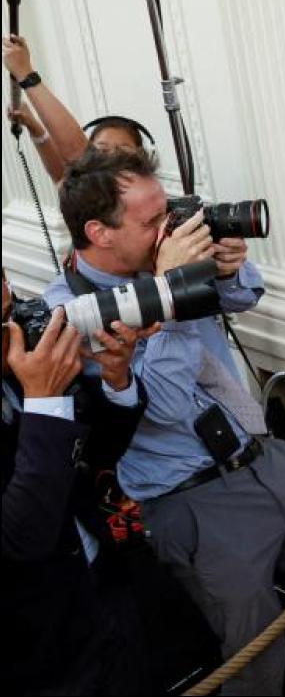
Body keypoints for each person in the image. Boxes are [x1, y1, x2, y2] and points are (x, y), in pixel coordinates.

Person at [44, 147, 285, 695]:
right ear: (99, 231)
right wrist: (169, 289)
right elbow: (162, 405)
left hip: (266, 459)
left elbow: (244, 295)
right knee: (256, 655)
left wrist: (225, 265)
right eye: (151, 220)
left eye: (168, 213)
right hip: (193, 500)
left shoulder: (157, 258)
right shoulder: (70, 315)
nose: (169, 229)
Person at [2, 269, 150, 694]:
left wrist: (116, 379)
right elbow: (23, 536)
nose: (13, 331)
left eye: (10, 306)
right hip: (37, 645)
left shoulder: (20, 356)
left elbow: (96, 455)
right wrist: (45, 402)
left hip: (102, 583)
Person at [3, 34, 151, 181]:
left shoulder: (136, 192)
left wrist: (25, 74)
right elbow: (61, 174)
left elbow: (80, 158)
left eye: (122, 151)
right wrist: (34, 127)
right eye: (102, 150)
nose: (111, 157)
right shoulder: (82, 192)